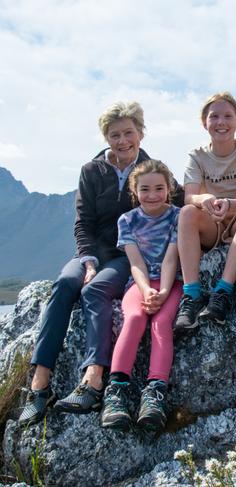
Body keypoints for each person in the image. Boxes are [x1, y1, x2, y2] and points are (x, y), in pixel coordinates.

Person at [19, 102, 182, 426]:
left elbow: (176, 204)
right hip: (91, 252)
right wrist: (88, 259)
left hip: (124, 256)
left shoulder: (152, 171)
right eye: (114, 135)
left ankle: (94, 380)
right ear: (105, 137)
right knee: (65, 284)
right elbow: (83, 223)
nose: (122, 141)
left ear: (140, 133)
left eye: (128, 133)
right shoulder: (91, 171)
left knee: (94, 291)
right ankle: (40, 385)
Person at [173, 92, 236, 331]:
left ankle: (222, 292)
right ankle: (192, 295)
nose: (221, 122)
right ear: (204, 122)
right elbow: (190, 196)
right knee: (186, 212)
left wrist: (227, 202)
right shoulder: (197, 155)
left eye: (228, 116)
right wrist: (205, 198)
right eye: (214, 116)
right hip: (211, 221)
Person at [100, 160, 182, 433]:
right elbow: (136, 262)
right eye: (145, 189)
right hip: (140, 283)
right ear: (135, 191)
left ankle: (155, 392)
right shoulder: (128, 221)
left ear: (169, 188)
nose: (153, 195)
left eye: (159, 188)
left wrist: (164, 291)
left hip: (171, 283)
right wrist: (146, 289)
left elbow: (172, 258)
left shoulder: (178, 216)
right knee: (134, 318)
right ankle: (116, 391)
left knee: (161, 323)